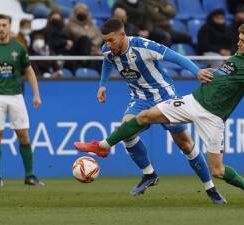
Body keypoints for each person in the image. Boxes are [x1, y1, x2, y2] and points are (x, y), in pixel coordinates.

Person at [74, 22, 244, 205]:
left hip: (214, 117)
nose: (238, 45)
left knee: (217, 170)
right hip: (193, 101)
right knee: (143, 118)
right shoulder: (239, 56)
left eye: (243, 42)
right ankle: (103, 145)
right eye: (238, 40)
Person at [75, 18, 225, 204]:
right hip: (139, 98)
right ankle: (149, 174)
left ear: (122, 35)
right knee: (126, 131)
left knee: (185, 144)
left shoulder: (142, 46)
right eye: (105, 40)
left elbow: (175, 56)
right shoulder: (108, 50)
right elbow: (107, 62)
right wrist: (102, 85)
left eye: (111, 40)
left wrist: (196, 71)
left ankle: (211, 188)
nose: (107, 44)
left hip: (165, 97)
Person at [0, 14, 44, 187]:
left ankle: (29, 176)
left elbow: (29, 71)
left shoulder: (19, 48)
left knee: (23, 135)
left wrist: (36, 94)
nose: (1, 28)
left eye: (4, 25)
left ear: (9, 26)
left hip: (16, 96)